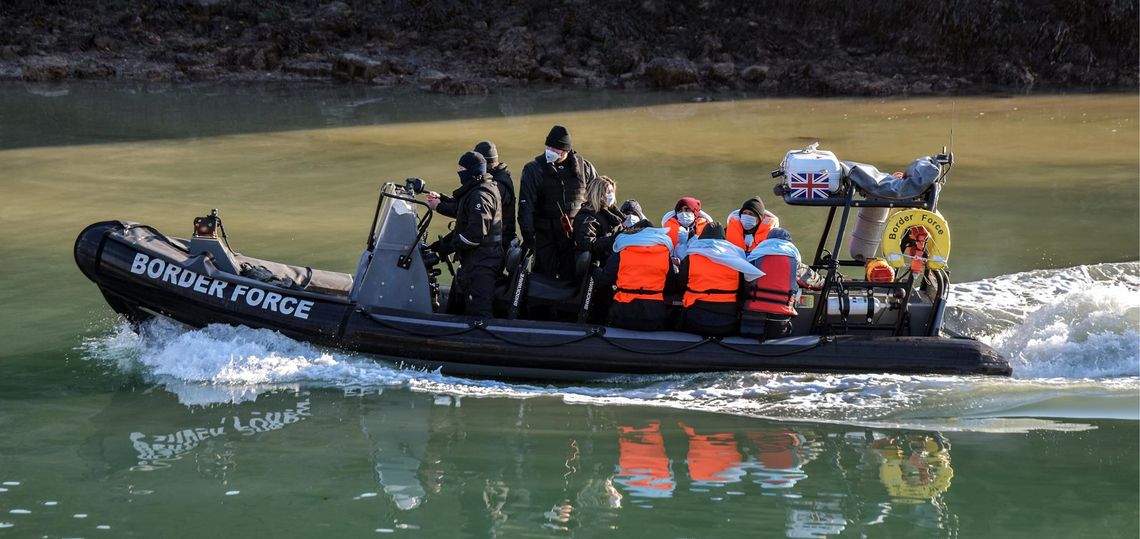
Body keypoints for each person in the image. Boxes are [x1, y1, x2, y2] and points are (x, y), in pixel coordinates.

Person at [427, 152, 503, 318]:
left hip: (483, 262)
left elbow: (474, 236)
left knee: (479, 310)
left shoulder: (481, 196)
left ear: (472, 171)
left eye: (461, 169)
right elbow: (463, 212)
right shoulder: (477, 189)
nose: (459, 172)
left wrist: (451, 246)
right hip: (477, 259)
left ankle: (481, 341)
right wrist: (439, 247)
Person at [518, 125, 599, 280]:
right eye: (548, 146)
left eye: (554, 149)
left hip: (575, 237)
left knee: (573, 279)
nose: (549, 151)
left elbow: (596, 200)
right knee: (542, 281)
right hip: (544, 236)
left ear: (565, 151)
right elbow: (525, 208)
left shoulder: (584, 167)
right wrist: (529, 240)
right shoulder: (533, 169)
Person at [427, 140, 516, 252]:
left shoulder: (494, 186)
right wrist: (442, 198)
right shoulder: (490, 181)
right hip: (485, 238)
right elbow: (467, 205)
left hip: (495, 245)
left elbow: (469, 212)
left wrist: (439, 206)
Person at [677, 222, 763, 336]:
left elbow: (680, 286)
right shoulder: (736, 259)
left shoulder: (690, 257)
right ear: (723, 238)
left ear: (702, 236)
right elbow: (742, 291)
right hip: (728, 323)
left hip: (695, 321)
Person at [594, 219, 675, 331]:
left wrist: (595, 269)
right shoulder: (665, 253)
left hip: (623, 313)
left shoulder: (622, 250)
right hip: (654, 315)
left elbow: (603, 280)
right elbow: (670, 286)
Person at [740, 228, 821, 340]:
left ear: (767, 241)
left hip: (751, 319)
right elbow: (817, 282)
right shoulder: (795, 264)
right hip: (778, 322)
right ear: (789, 244)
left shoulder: (753, 259)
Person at [573, 176, 623, 267]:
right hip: (598, 265)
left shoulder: (612, 213)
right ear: (598, 195)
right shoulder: (587, 217)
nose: (611, 195)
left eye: (612, 192)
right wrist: (615, 239)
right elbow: (586, 243)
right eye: (608, 192)